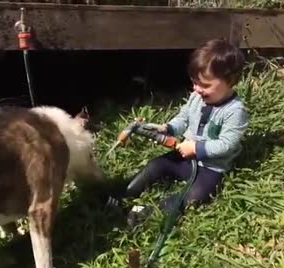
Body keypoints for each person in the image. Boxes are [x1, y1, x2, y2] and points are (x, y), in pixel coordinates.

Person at [107, 38, 249, 227]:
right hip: (183, 157)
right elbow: (184, 117)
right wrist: (168, 128)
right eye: (194, 83)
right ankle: (123, 193)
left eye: (205, 85)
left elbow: (227, 144)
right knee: (156, 165)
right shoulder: (196, 97)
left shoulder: (235, 111)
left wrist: (197, 148)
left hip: (211, 167)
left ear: (229, 81)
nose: (197, 89)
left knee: (196, 195)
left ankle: (151, 212)